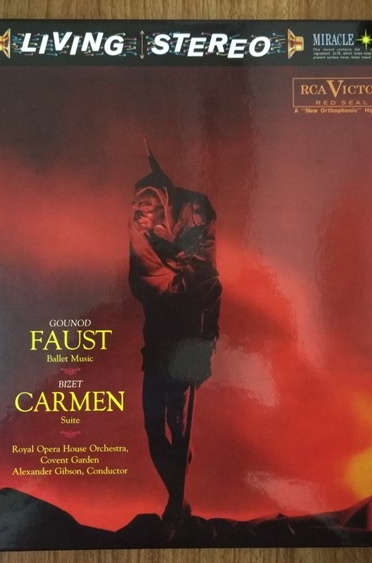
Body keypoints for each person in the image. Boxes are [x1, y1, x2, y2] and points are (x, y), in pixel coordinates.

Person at [129, 143, 221, 523]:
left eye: (146, 205)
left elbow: (206, 281)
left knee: (178, 424)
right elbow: (145, 280)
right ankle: (175, 495)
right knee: (153, 427)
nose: (138, 211)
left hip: (186, 341)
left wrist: (205, 343)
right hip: (157, 341)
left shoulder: (193, 223)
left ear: (164, 203)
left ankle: (176, 503)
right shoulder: (143, 240)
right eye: (136, 205)